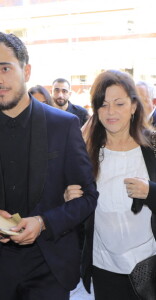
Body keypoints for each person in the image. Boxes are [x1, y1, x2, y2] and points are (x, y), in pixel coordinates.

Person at [0, 31, 98, 300]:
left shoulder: (63, 125)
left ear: (27, 70)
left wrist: (43, 222)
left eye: (5, 68)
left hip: (49, 265)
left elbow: (88, 198)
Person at [65, 70, 156, 300]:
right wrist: (68, 198)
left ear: (133, 106)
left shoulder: (152, 147)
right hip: (104, 265)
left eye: (119, 103)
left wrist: (150, 192)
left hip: (148, 262)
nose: (111, 112)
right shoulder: (85, 151)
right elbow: (75, 208)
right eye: (103, 105)